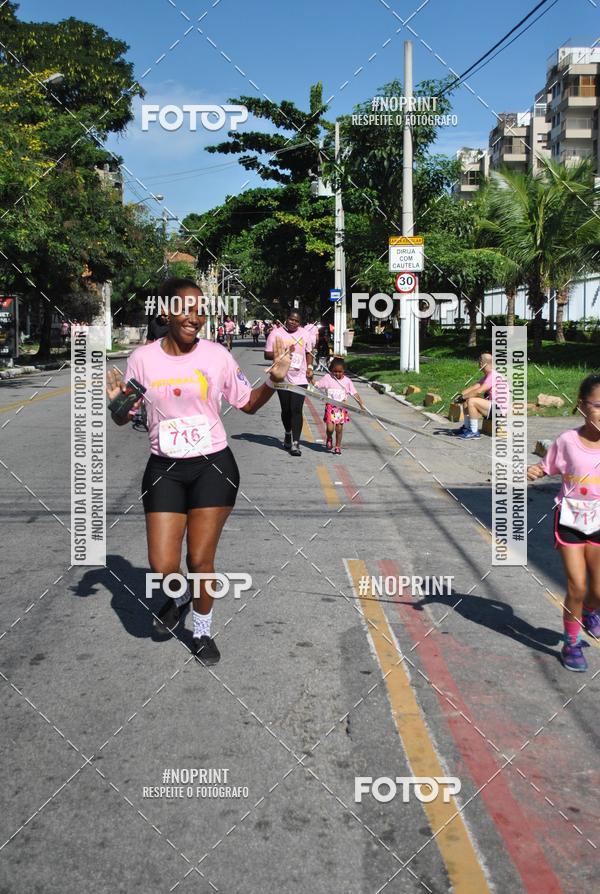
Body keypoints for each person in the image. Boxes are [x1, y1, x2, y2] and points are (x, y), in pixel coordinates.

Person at [106, 277, 291, 666]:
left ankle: (203, 632)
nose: (195, 316)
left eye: (200, 310)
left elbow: (247, 403)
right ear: (167, 312)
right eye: (186, 308)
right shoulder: (142, 359)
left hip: (213, 467)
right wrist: (116, 406)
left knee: (200, 561)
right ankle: (179, 597)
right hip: (164, 468)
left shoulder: (217, 355)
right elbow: (126, 417)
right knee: (162, 565)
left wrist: (273, 381)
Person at [527, 374, 600, 672]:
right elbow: (547, 466)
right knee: (577, 585)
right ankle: (570, 644)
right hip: (569, 518)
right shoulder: (567, 441)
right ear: (582, 407)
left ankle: (590, 613)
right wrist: (535, 470)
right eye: (598, 405)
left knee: (597, 589)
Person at [264, 309, 314, 457]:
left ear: (300, 323)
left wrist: (310, 368)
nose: (293, 323)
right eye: (291, 319)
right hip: (282, 377)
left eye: (297, 321)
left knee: (296, 409)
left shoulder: (305, 334)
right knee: (286, 410)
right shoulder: (276, 333)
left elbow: (309, 353)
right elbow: (267, 354)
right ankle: (288, 432)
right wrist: (283, 352)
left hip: (300, 378)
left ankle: (296, 443)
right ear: (286, 318)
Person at [314, 357, 365, 454]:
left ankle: (338, 446)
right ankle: (329, 437)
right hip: (330, 407)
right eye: (335, 371)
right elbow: (317, 385)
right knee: (330, 428)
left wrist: (361, 404)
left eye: (340, 372)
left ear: (344, 370)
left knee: (339, 429)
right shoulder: (328, 378)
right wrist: (310, 378)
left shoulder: (347, 381)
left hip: (341, 408)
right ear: (331, 370)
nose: (337, 374)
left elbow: (354, 393)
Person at [453, 353, 508, 439]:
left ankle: (474, 432)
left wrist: (463, 397)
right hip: (493, 407)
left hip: (499, 410)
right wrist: (460, 396)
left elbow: (479, 390)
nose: (478, 365)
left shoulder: (493, 375)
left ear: (483, 364)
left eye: (479, 362)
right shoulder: (488, 376)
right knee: (467, 399)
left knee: (471, 400)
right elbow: (474, 387)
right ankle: (467, 428)